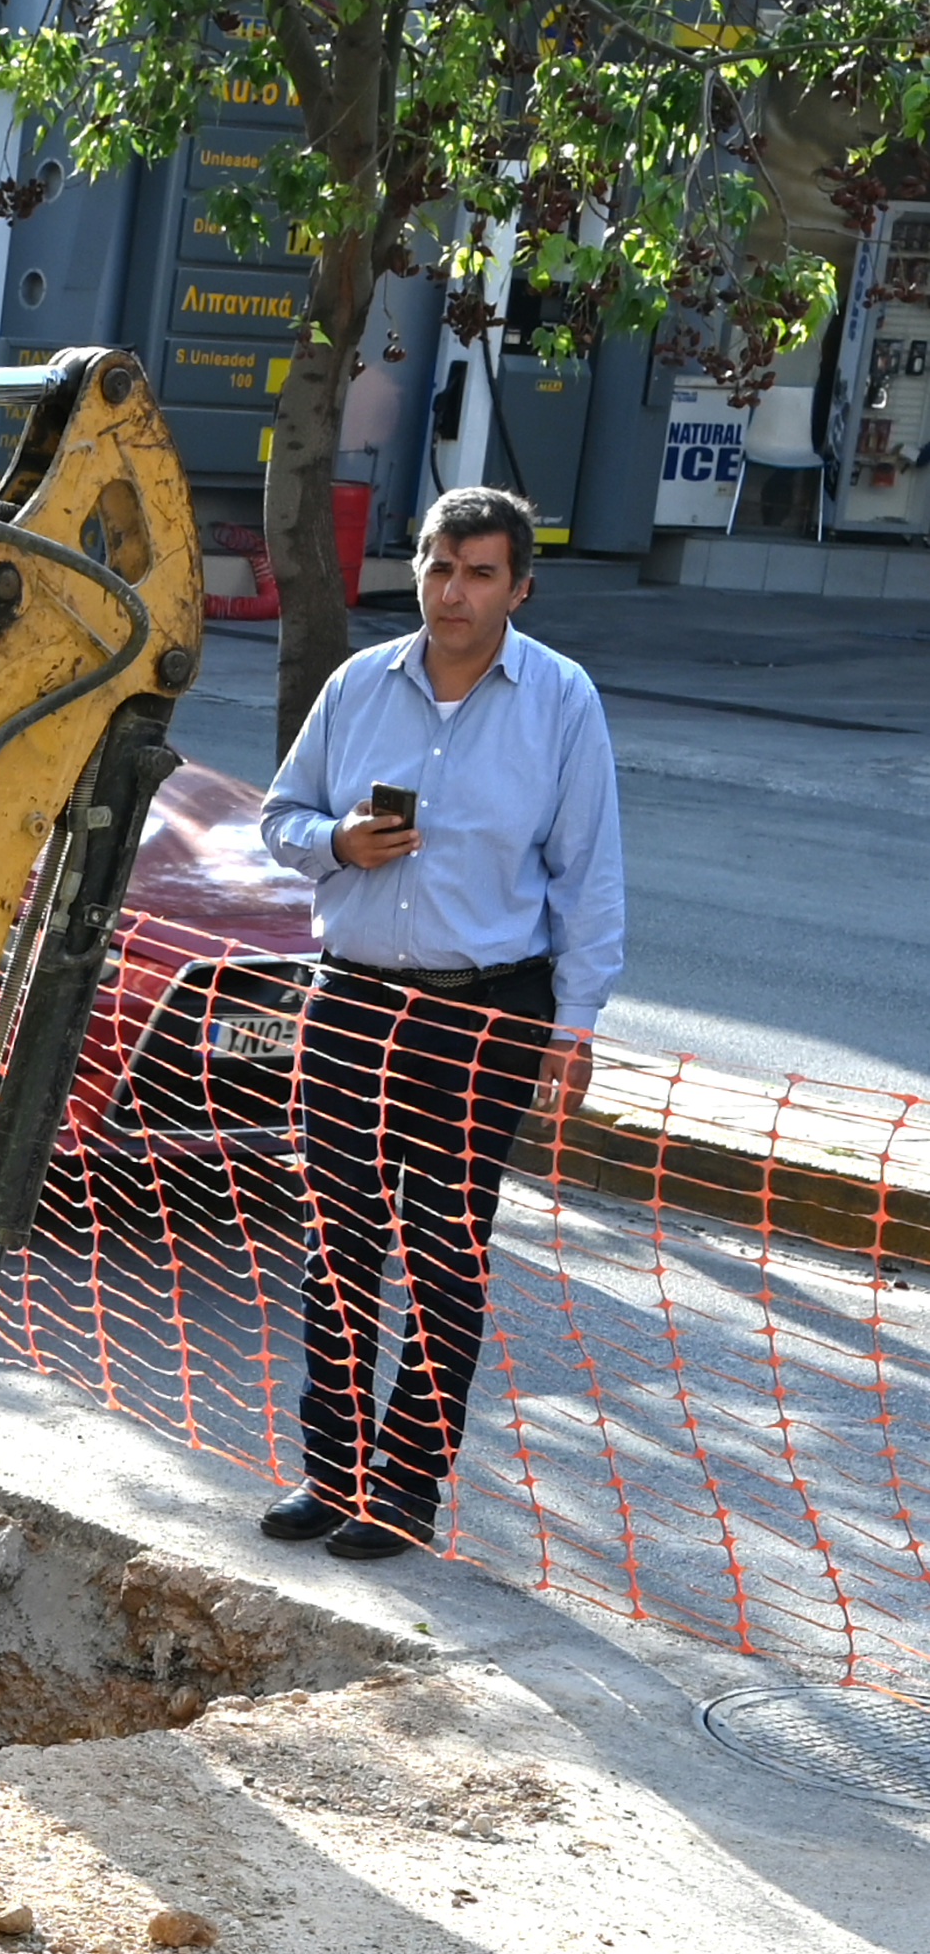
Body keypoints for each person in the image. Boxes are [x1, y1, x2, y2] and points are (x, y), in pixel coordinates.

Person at [250, 480, 626, 1562]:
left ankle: (404, 1491)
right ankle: (331, 1473)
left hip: (487, 1014)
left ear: (520, 586)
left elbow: (588, 875)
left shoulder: (562, 701)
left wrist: (577, 1023)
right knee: (337, 1242)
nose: (452, 591)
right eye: (436, 565)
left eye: (478, 573)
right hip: (352, 1000)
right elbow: (280, 815)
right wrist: (336, 841)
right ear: (414, 566)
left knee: (444, 1250)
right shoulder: (360, 683)